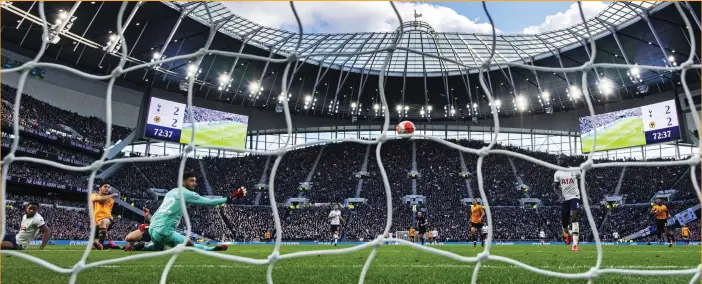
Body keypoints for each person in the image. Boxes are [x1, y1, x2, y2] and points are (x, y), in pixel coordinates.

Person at [136, 170, 246, 252]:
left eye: (195, 181)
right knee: (188, 243)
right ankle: (211, 249)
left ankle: (139, 248)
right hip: (164, 232)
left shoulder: (171, 191)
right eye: (191, 181)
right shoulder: (187, 193)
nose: (194, 183)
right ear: (184, 181)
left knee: (158, 247)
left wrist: (149, 217)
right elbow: (210, 202)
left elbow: (162, 211)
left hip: (152, 229)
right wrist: (231, 197)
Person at [553, 155, 582, 251]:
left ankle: (575, 244)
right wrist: (560, 196)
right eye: (558, 160)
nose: (559, 161)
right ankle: (568, 235)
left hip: (575, 197)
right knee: (564, 223)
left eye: (561, 159)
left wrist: (587, 195)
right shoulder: (557, 173)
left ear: (566, 160)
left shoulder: (575, 170)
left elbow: (583, 182)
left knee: (574, 216)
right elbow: (555, 187)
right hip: (565, 199)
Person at [92, 183, 118, 250]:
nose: (107, 188)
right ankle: (109, 245)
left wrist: (110, 196)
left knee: (102, 222)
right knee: (94, 245)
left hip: (107, 219)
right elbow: (100, 199)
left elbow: (103, 200)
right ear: (100, 188)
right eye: (105, 186)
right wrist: (112, 195)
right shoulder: (93, 195)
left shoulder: (111, 200)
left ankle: (100, 244)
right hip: (97, 222)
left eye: (108, 187)